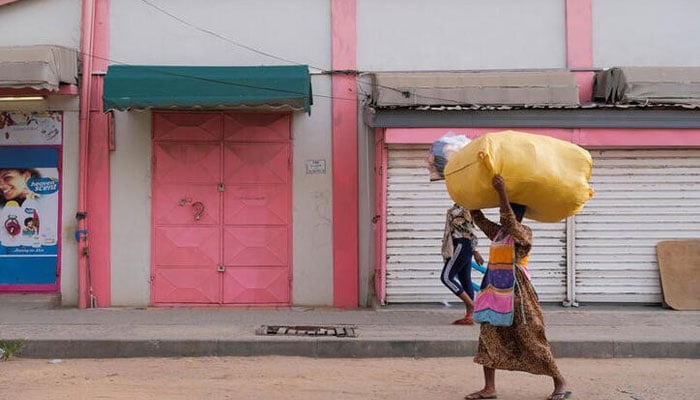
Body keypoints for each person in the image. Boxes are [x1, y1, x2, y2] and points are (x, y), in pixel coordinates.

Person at [465, 175, 571, 400]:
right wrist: (469, 193)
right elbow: (478, 217)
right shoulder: (500, 233)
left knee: (532, 338)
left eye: (510, 212)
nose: (504, 216)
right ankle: (489, 388)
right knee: (488, 337)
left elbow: (508, 219)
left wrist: (502, 192)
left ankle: (560, 381)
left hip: (518, 295)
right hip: (495, 293)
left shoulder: (523, 233)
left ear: (518, 215)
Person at [440, 203, 484, 325]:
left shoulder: (463, 209)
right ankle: (470, 315)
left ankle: (471, 305)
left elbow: (470, 230)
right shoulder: (464, 208)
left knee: (446, 277)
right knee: (465, 280)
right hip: (465, 246)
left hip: (460, 244)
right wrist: (474, 250)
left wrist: (475, 250)